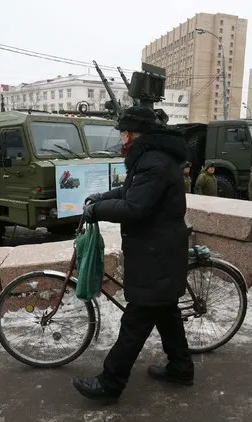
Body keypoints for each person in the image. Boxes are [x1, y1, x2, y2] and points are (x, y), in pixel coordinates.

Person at [73, 106, 194, 403]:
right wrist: (102, 197)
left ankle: (110, 383)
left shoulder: (153, 162)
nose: (123, 139)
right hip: (159, 251)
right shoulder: (152, 158)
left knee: (135, 322)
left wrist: (96, 211)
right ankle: (181, 367)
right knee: (166, 315)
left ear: (135, 134)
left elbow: (135, 208)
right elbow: (131, 191)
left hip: (156, 256)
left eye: (125, 133)